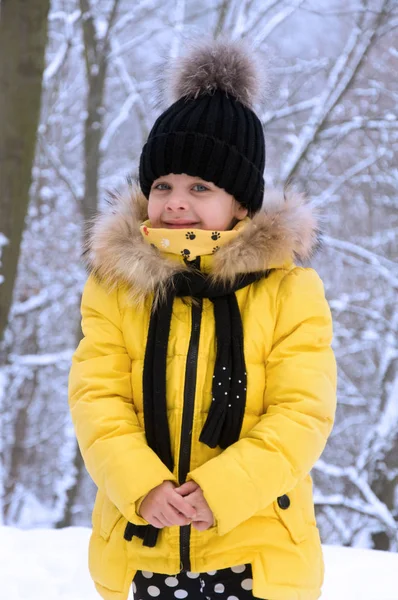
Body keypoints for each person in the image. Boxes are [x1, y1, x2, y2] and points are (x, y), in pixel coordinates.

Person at [68, 39, 337, 600]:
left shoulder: (289, 292)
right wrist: (140, 486)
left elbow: (301, 413)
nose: (176, 201)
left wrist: (222, 491)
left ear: (240, 203)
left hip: (255, 548)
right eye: (162, 185)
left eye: (200, 187)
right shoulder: (117, 288)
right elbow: (97, 398)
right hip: (143, 544)